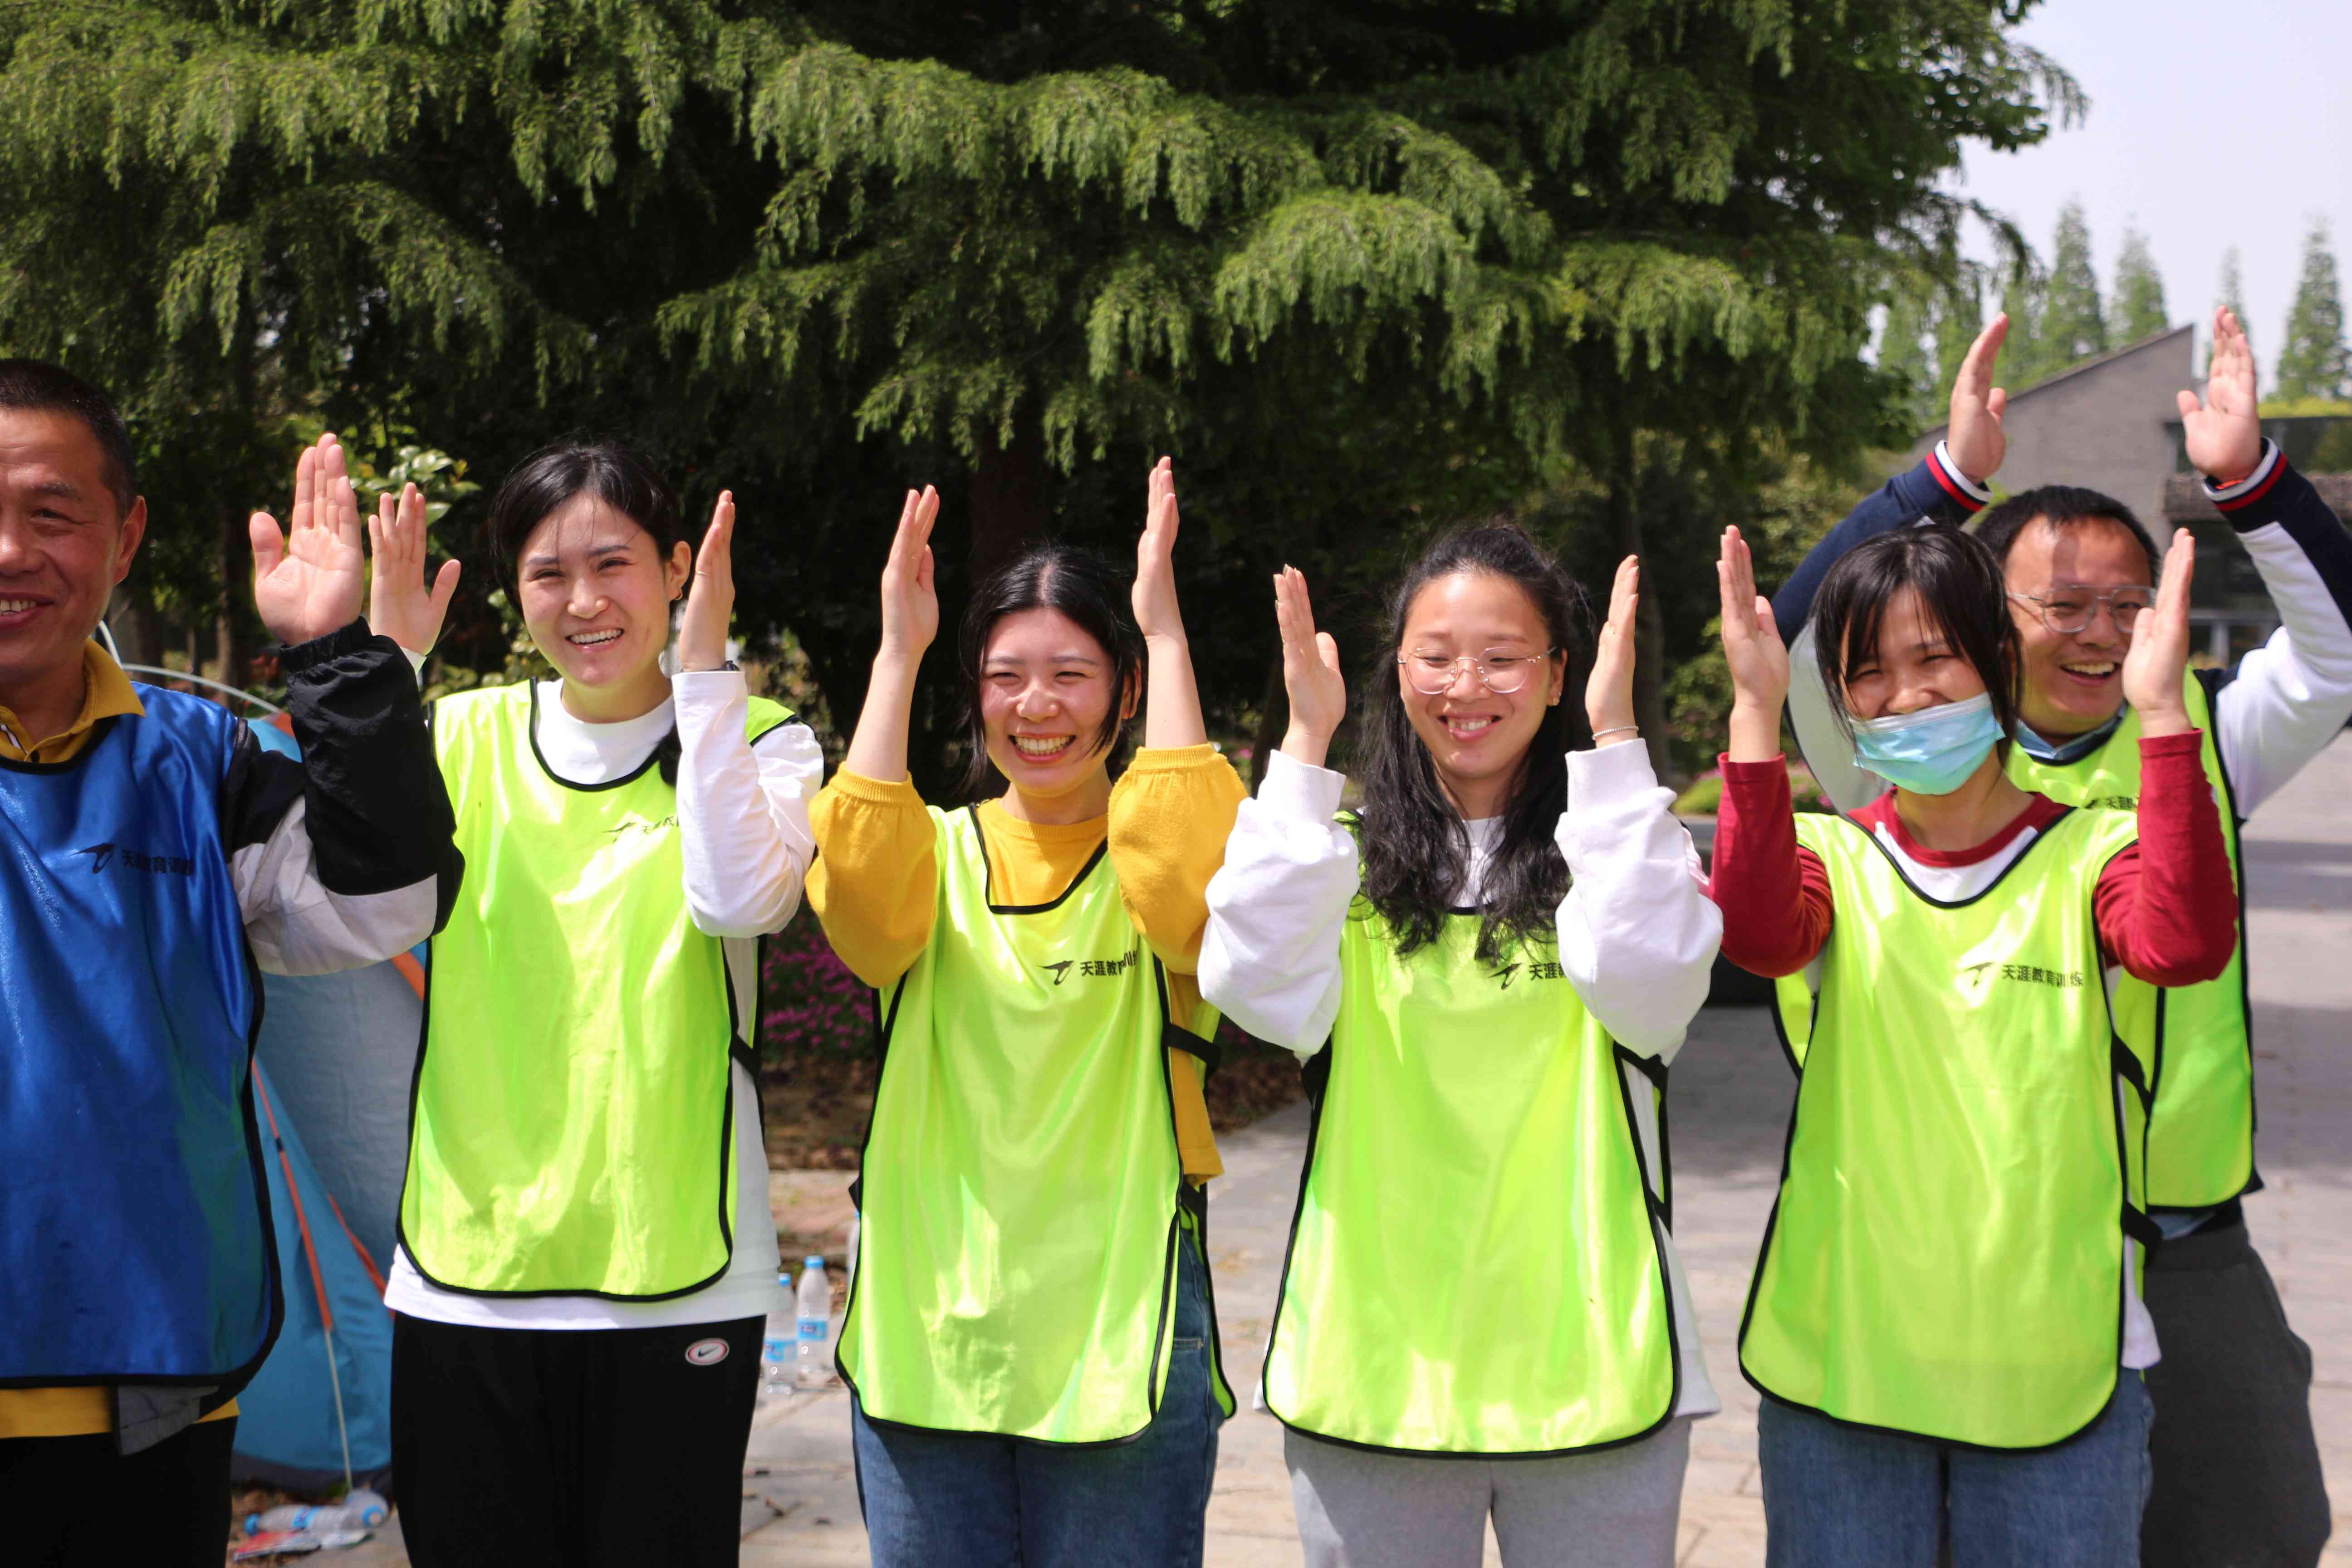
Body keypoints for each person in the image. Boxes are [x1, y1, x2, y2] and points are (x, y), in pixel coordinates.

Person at [1771, 309, 2350, 1563]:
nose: (2099, 630)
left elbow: (2339, 655)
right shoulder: (1896, 763)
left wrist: (2252, 480)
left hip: (2175, 1239)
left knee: (2257, 1530)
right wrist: (1939, 482)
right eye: (2062, 604)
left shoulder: (2199, 745)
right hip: (1942, 1255)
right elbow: (1788, 646)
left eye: (2126, 605)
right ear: (1987, 613)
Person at [0, 363, 460, 1565]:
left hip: (157, 1388)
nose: (10, 552)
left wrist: (339, 661)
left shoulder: (198, 767)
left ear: (124, 536)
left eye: (50, 512)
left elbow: (388, 905)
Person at [1708, 519, 2236, 1564]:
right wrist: (1756, 709)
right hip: (1843, 1368)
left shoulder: (2094, 850)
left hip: (2054, 1368)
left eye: (1934, 659)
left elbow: (2181, 943)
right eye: (1868, 675)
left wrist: (2165, 710)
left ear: (1998, 663)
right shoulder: (1832, 857)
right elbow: (1762, 935)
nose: (1905, 697)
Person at [1199, 528, 1722, 1568]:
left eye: (1503, 655)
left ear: (1558, 671)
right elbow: (1248, 982)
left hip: (1593, 1371)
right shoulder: (1333, 865)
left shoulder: (1611, 849)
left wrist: (1615, 746)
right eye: (1435, 655)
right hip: (1374, 1373)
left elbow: (1653, 985)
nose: (1465, 685)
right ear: (1396, 671)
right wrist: (1305, 750)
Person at [377, 443, 823, 1567]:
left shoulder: (762, 737)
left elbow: (740, 903)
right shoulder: (457, 734)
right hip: (471, 1275)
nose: (583, 603)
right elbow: (357, 908)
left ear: (678, 568)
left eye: (613, 564)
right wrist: (381, 670)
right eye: (546, 574)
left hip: (677, 1274)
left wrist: (708, 674)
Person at [811, 461, 1240, 1568]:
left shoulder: (1148, 861)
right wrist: (897, 650)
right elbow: (858, 903)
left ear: (1126, 692)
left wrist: (1169, 632)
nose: (1036, 707)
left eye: (1072, 675)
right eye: (1005, 677)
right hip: (928, 1333)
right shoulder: (936, 856)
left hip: (1121, 1329)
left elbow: (1202, 890)